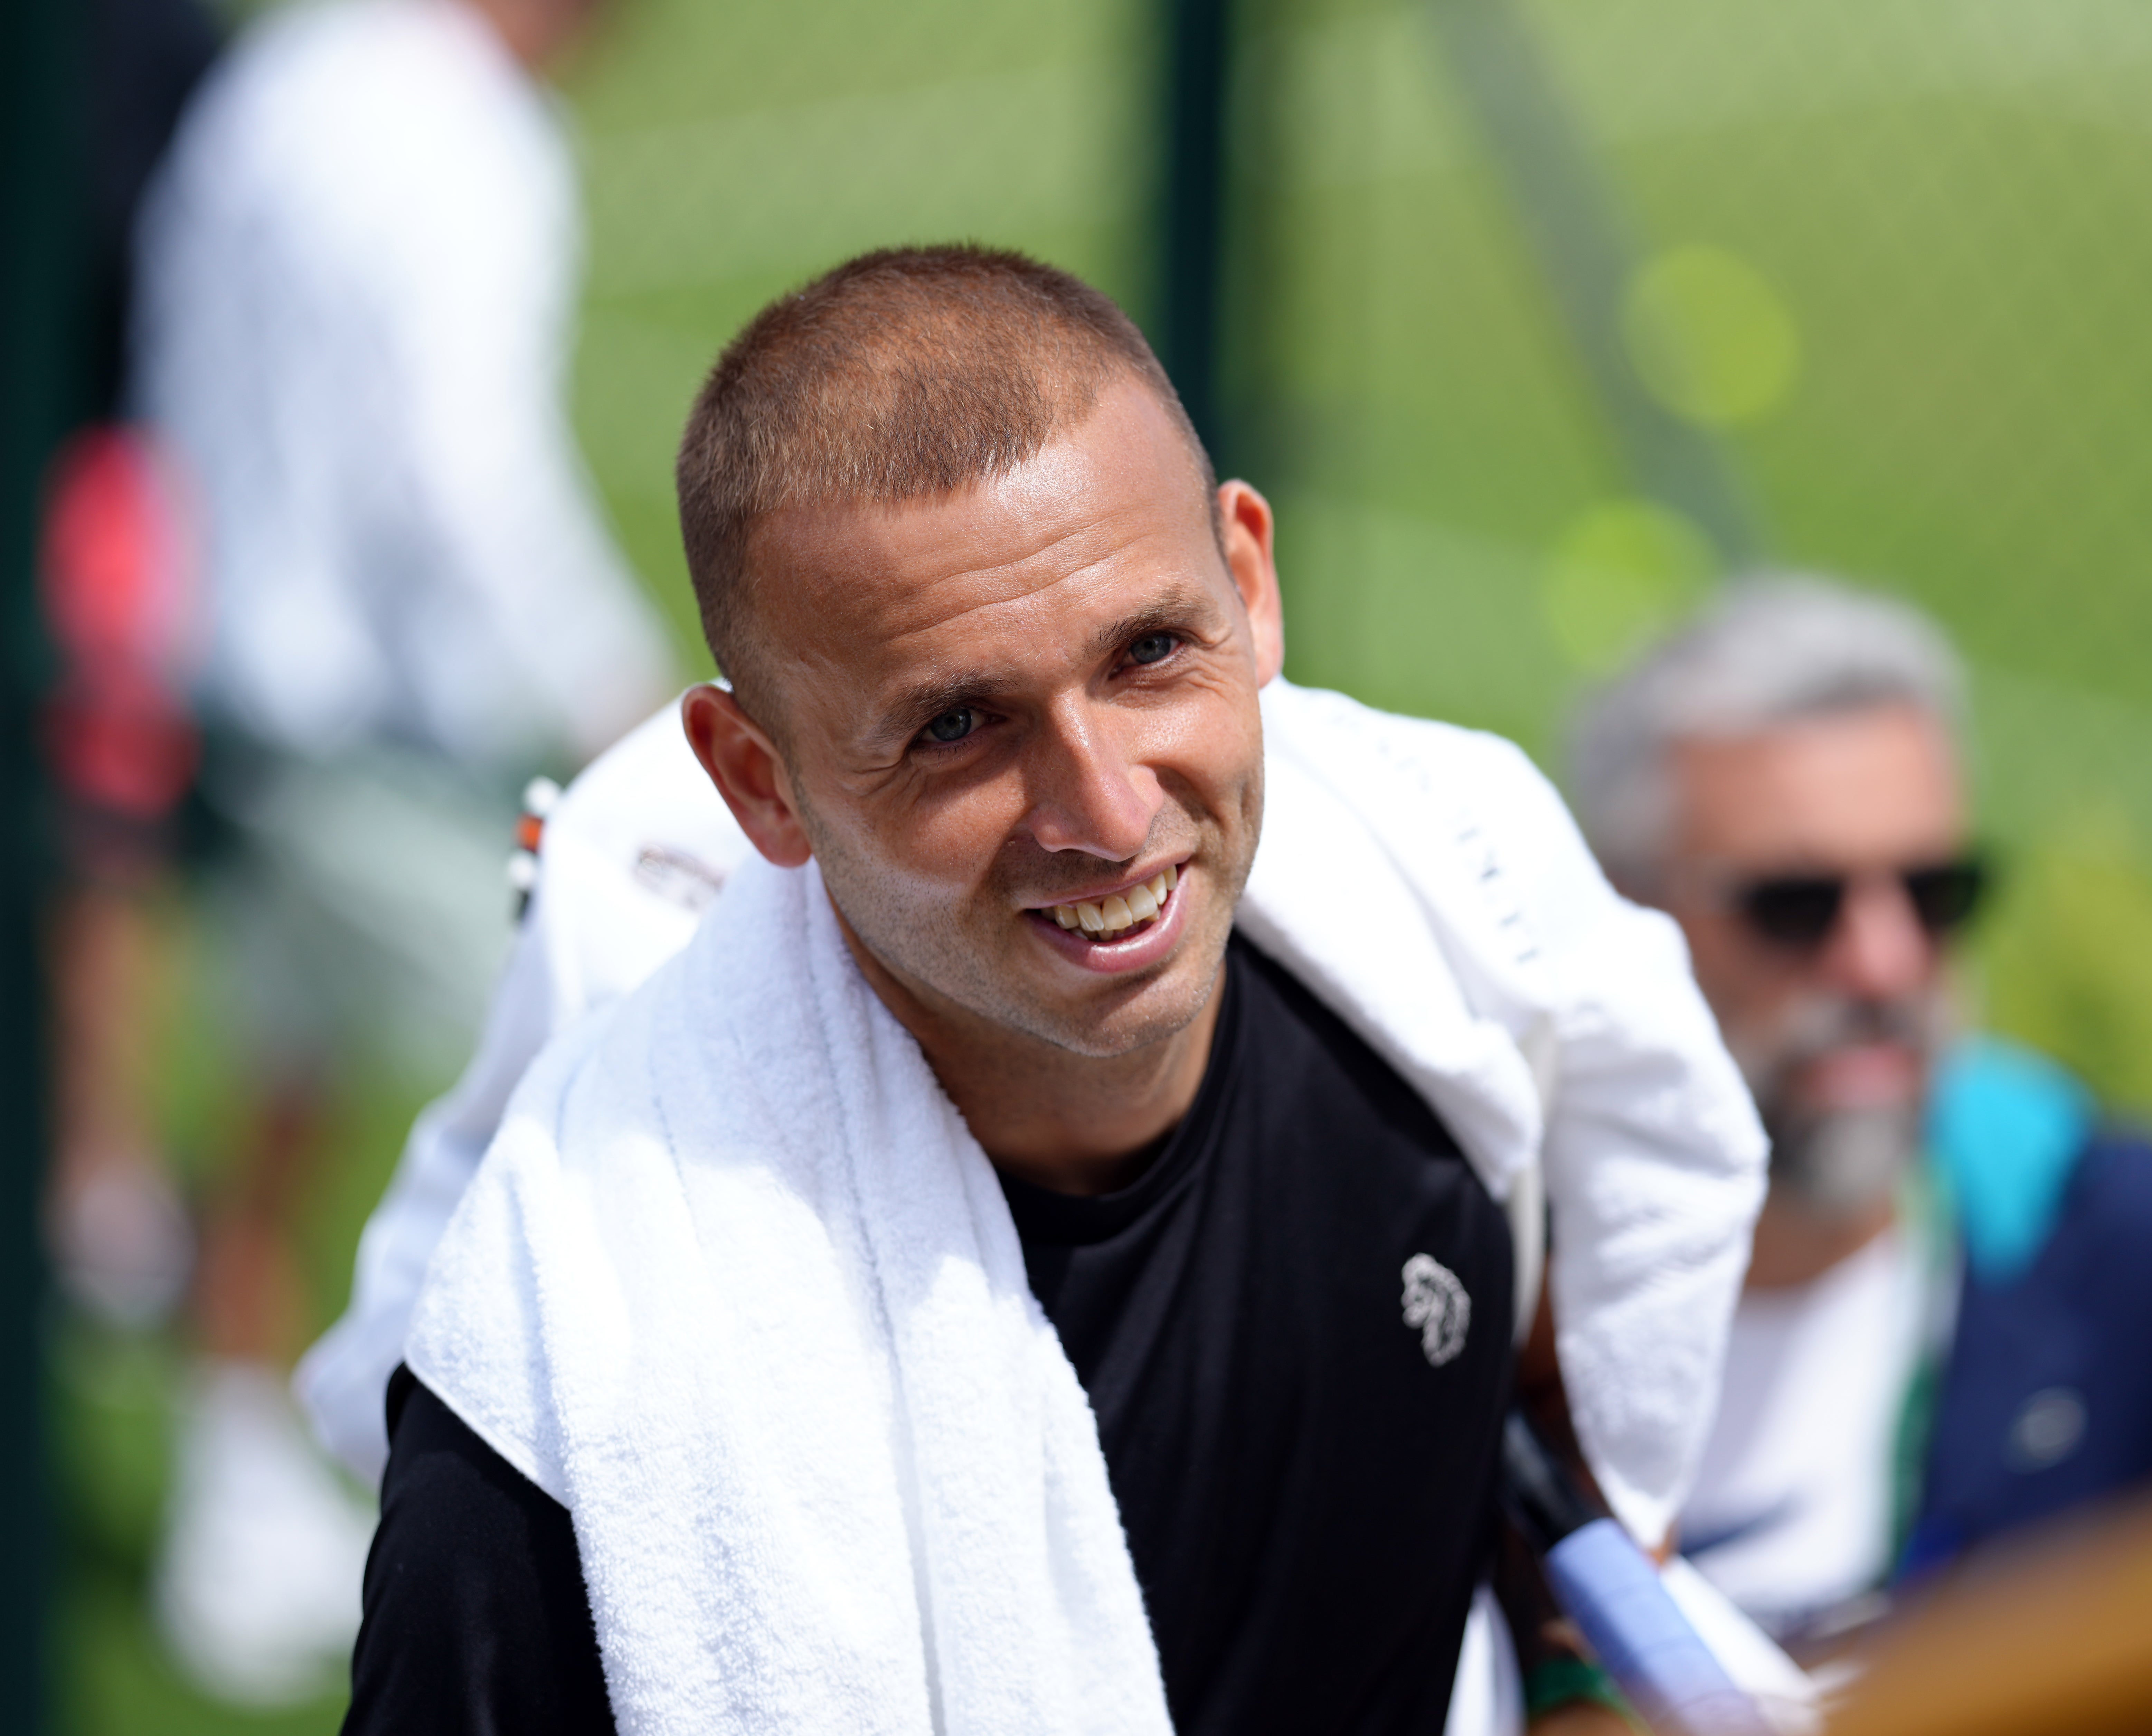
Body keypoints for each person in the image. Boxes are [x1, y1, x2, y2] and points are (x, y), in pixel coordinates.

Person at [324, 244, 1783, 1736]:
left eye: (1150, 651)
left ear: (1253, 584)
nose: (1103, 808)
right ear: (760, 783)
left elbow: (1572, 1456)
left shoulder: (1470, 984)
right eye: (958, 725)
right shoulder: (579, 1401)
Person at [128, 0, 672, 1701]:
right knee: (602, 1101)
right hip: (383, 736)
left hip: (224, 670)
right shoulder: (471, 140)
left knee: (284, 1082)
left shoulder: (286, 74)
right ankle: (552, 1569)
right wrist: (629, 702)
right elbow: (466, 470)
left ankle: (232, 1505)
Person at [1567, 579, 2152, 1645]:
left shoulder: (2088, 1231)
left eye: (1934, 892)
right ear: (1617, 909)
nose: (1883, 963)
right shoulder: (1483, 1273)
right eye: (1796, 905)